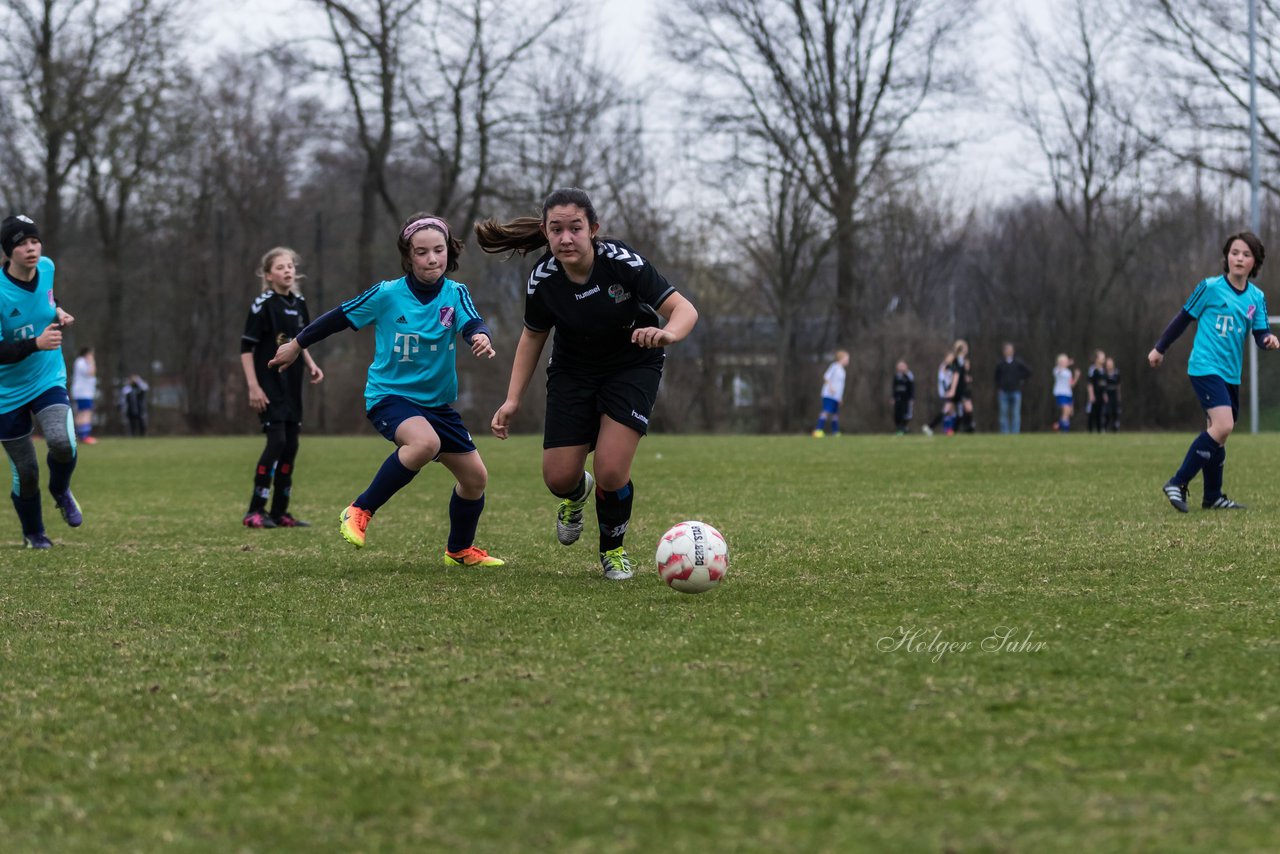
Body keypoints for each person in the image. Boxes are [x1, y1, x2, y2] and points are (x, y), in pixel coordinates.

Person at [476, 187, 699, 581]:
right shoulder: (542, 280)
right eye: (556, 229)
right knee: (558, 478)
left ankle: (612, 550)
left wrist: (668, 335)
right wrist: (512, 400)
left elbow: (683, 309)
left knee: (612, 471)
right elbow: (532, 337)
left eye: (575, 228)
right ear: (546, 233)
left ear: (593, 229)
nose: (565, 238)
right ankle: (578, 494)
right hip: (573, 371)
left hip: (633, 364)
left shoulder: (622, 263)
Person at [270, 212, 504, 566]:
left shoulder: (455, 293)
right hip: (390, 397)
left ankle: (459, 550)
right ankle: (359, 509)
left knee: (475, 480)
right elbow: (338, 317)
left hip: (437, 405)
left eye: (438, 250)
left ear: (448, 252)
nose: (431, 258)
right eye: (422, 252)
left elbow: (472, 321)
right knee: (425, 443)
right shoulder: (386, 294)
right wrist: (297, 344)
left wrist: (481, 337)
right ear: (408, 256)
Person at [1149, 231, 1279, 512]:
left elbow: (1260, 333)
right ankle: (1178, 481)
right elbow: (1182, 319)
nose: (1239, 258)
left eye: (1245, 254)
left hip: (1231, 373)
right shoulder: (1209, 288)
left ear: (1254, 261)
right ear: (1226, 257)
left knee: (1218, 431)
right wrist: (1160, 348)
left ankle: (1213, 497)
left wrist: (1268, 340)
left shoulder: (1256, 297)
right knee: (1224, 426)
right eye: (1234, 253)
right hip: (1205, 367)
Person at [0, 215, 82, 549]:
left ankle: (61, 490)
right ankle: (34, 533)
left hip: (47, 376)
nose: (31, 248)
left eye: (34, 241)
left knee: (62, 443)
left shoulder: (47, 267)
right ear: (8, 251)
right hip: (5, 392)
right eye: (21, 243)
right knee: (27, 471)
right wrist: (34, 343)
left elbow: (48, 299)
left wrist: (58, 312)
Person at [240, 247, 324, 528]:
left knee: (291, 446)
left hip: (292, 386)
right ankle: (254, 510)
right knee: (276, 442)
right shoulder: (262, 304)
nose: (287, 270)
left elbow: (301, 339)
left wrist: (310, 363)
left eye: (290, 266)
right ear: (268, 275)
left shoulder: (299, 302)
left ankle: (279, 512)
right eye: (280, 267)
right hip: (269, 385)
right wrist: (253, 386)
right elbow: (246, 348)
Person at [993, 342, 1031, 434]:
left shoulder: (1018, 363)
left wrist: (1020, 379)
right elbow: (996, 377)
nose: (1008, 351)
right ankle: (1005, 433)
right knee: (1003, 415)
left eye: (1010, 350)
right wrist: (999, 387)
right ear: (1003, 352)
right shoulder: (1000, 364)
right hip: (1003, 392)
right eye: (1006, 350)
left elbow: (1029, 372)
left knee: (1016, 414)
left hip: (1016, 391)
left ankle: (1015, 433)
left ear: (1013, 351)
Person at [811, 349, 849, 437]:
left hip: (836, 396)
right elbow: (826, 377)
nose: (847, 361)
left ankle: (835, 432)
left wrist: (840, 397)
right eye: (846, 358)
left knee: (835, 413)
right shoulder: (834, 366)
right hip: (829, 394)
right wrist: (830, 387)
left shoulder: (843, 371)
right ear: (841, 358)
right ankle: (818, 431)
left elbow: (841, 386)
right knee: (826, 411)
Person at [922, 351, 956, 436]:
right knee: (946, 410)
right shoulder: (943, 367)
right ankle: (930, 427)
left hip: (950, 391)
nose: (951, 358)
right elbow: (943, 380)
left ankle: (949, 430)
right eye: (950, 357)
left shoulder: (952, 367)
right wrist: (947, 391)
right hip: (946, 392)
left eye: (952, 357)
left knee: (950, 411)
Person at [70, 346, 98, 444]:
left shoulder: (81, 362)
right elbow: (91, 373)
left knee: (80, 413)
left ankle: (78, 435)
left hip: (84, 392)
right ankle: (84, 436)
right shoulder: (81, 362)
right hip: (83, 393)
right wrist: (92, 362)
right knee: (86, 413)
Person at [949, 339, 975, 433]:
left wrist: (967, 377)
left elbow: (962, 374)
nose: (967, 349)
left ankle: (966, 428)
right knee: (951, 409)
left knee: (966, 409)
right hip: (959, 388)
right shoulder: (956, 360)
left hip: (964, 387)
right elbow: (955, 374)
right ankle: (965, 428)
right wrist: (952, 389)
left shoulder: (964, 361)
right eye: (965, 347)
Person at [1051, 354, 1080, 432]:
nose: (1065, 362)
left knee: (1069, 413)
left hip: (1068, 394)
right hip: (1060, 393)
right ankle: (1064, 430)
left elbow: (1071, 384)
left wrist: (1076, 377)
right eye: (1063, 361)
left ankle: (1059, 426)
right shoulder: (1057, 370)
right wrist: (1068, 363)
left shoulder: (1068, 372)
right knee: (1066, 410)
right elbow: (1060, 368)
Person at [1086, 349, 1108, 433]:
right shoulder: (1092, 369)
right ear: (1096, 358)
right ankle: (1090, 430)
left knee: (1100, 412)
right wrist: (1091, 395)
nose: (1104, 358)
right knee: (1092, 413)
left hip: (1101, 395)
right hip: (1094, 395)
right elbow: (1089, 383)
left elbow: (1104, 384)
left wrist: (1105, 394)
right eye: (1102, 356)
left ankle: (1099, 430)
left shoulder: (1103, 370)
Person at [891, 360, 914, 434]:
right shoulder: (896, 376)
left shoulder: (909, 376)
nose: (901, 368)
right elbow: (894, 387)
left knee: (906, 414)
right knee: (897, 414)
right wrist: (893, 397)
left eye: (902, 366)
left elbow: (912, 388)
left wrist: (912, 398)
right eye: (899, 366)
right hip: (898, 398)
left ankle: (903, 428)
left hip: (906, 399)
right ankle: (899, 428)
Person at [1103, 356, 1121, 432]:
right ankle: (1104, 428)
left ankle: (1115, 429)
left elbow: (1118, 385)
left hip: (1114, 394)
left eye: (1111, 364)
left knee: (1115, 412)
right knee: (1107, 412)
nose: (1109, 365)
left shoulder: (1117, 372)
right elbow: (1103, 385)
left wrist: (1119, 395)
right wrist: (1104, 394)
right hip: (1107, 394)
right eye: (1108, 364)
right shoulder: (1104, 373)